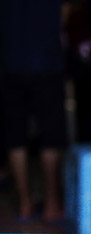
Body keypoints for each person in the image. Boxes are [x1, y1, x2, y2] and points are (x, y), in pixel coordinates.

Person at [0, 0, 70, 221]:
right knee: (51, 133)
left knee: (15, 134)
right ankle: (52, 206)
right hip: (46, 57)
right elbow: (65, 9)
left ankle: (24, 204)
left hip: (9, 59)